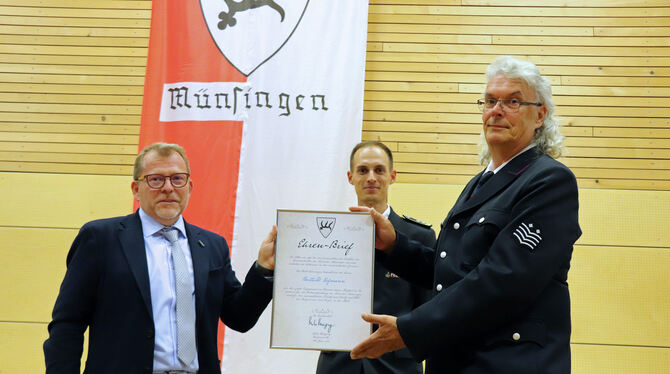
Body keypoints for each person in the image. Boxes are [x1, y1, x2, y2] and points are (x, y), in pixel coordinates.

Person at [348, 56, 582, 374]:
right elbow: (452, 270)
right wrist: (394, 246)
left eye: (512, 101)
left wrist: (409, 329)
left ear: (539, 114)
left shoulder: (550, 181)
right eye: (489, 101)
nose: (496, 111)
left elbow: (502, 280)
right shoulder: (482, 182)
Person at [44, 142, 277, 374]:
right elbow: (68, 323)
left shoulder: (211, 245)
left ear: (189, 186)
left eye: (177, 179)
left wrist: (263, 269)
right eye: (156, 179)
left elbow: (239, 317)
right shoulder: (100, 239)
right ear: (136, 189)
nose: (168, 188)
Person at [316, 141, 436, 374]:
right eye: (363, 170)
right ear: (350, 177)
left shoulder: (419, 237)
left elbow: (428, 310)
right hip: (338, 365)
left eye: (379, 170)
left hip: (396, 366)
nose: (371, 177)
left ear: (392, 176)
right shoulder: (323, 238)